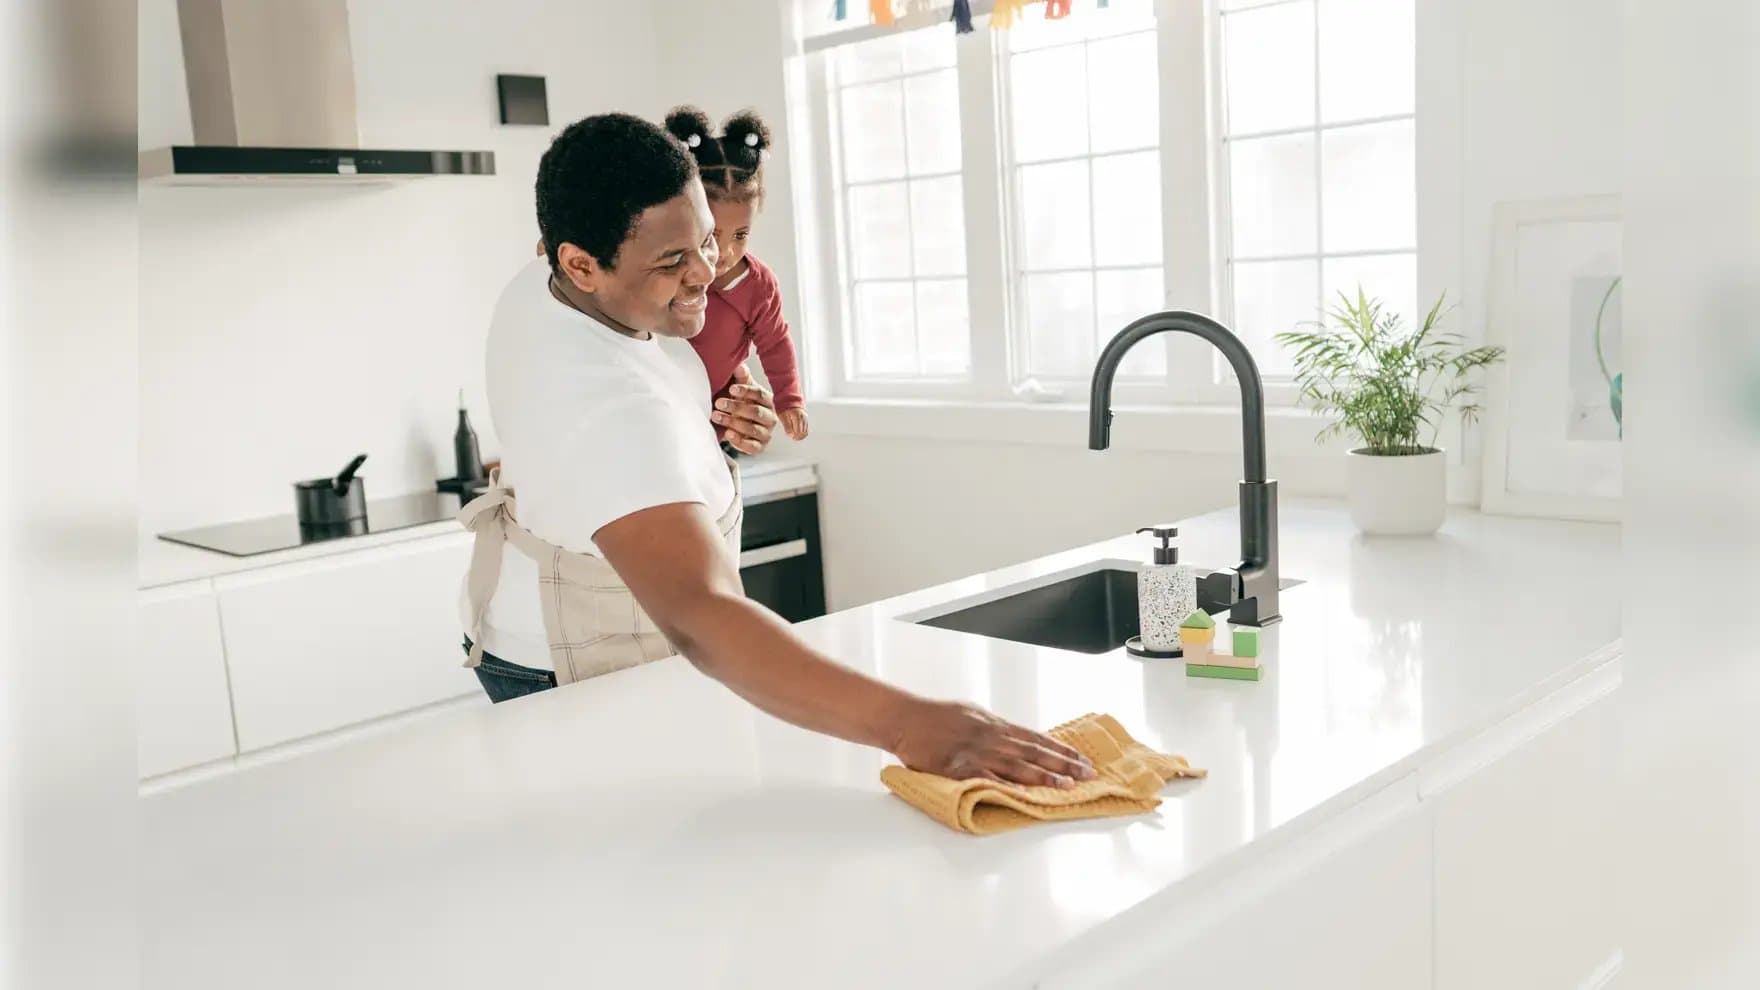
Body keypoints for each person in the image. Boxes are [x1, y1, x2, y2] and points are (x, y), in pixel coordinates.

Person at [458, 113, 1095, 789]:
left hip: (545, 635)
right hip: (580, 669)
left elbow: (636, 422)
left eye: (707, 239)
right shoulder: (605, 409)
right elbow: (702, 617)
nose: (709, 271)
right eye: (673, 261)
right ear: (580, 263)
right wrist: (912, 725)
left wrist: (711, 429)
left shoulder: (546, 288)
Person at [663, 106, 807, 443]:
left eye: (740, 235)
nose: (725, 252)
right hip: (665, 407)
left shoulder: (757, 285)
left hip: (718, 413)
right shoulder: (665, 274)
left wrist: (789, 400)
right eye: (712, 234)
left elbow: (775, 342)